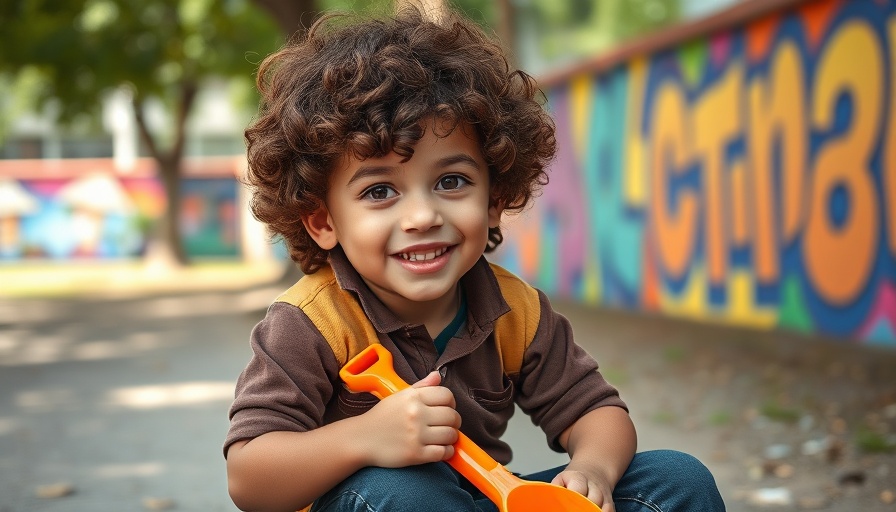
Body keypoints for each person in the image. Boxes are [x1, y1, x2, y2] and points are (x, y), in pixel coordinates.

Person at [224, 5, 726, 512]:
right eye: (379, 191)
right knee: (406, 491)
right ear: (323, 221)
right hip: (382, 503)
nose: (422, 215)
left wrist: (592, 468)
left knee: (676, 479)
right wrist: (365, 437)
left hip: (487, 498)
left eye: (451, 182)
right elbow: (250, 477)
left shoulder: (515, 310)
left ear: (492, 200)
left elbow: (596, 410)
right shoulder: (311, 324)